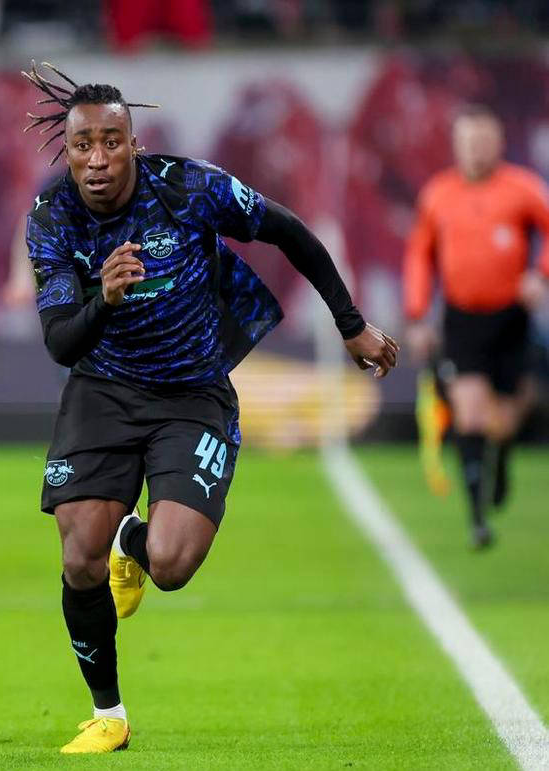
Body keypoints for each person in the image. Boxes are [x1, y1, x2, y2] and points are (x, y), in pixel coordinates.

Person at [20, 62, 398, 754]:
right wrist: (103, 298)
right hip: (103, 390)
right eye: (83, 145)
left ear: (134, 145)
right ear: (67, 152)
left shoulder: (188, 187)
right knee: (78, 558)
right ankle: (109, 715)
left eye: (111, 142)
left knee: (170, 564)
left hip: (193, 393)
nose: (97, 159)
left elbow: (289, 231)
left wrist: (350, 323)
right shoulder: (52, 217)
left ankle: (133, 544)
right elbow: (59, 342)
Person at [403, 105, 549, 549]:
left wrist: (539, 275)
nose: (476, 150)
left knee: (502, 420)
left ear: (498, 143)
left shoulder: (522, 189)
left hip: (510, 318)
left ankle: (500, 455)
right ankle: (478, 518)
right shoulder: (438, 194)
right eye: (468, 142)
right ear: (456, 145)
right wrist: (417, 315)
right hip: (462, 319)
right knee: (468, 413)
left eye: (483, 141)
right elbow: (419, 256)